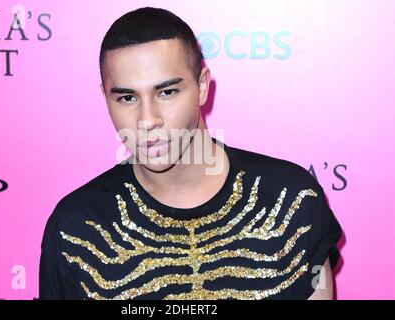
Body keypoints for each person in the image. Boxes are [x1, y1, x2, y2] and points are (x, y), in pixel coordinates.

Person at [39, 6, 342, 300]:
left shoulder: (291, 199)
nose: (147, 120)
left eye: (167, 92)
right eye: (127, 97)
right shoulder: (76, 228)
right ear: (105, 97)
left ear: (202, 86)